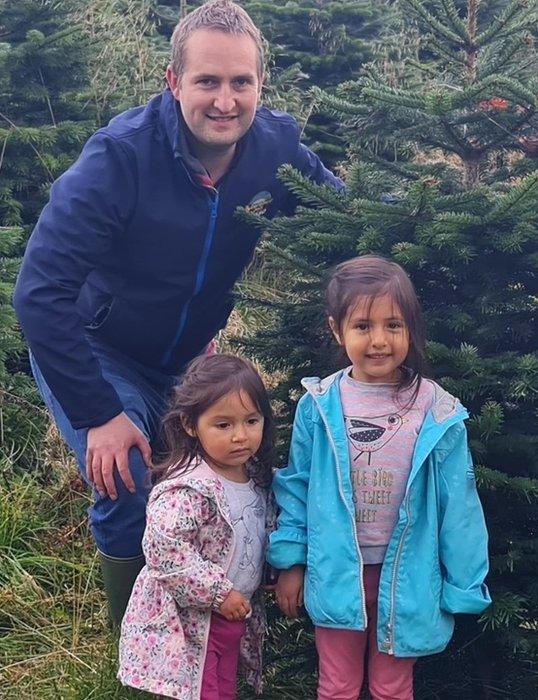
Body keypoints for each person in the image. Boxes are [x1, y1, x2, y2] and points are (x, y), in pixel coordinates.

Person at [12, 0, 343, 623]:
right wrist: (99, 414)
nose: (225, 101)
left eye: (241, 82)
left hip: (190, 359)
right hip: (99, 350)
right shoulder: (118, 159)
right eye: (207, 81)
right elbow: (38, 293)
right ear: (173, 81)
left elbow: (342, 212)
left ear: (260, 85)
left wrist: (429, 216)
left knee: (222, 474)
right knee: (127, 477)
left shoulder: (275, 147)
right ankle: (134, 642)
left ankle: (212, 617)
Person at [268, 255, 491, 700]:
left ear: (410, 329)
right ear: (337, 330)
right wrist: (291, 563)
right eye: (363, 326)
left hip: (406, 578)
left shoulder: (437, 411)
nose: (379, 341)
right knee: (336, 687)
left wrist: (464, 583)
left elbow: (459, 504)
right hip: (334, 573)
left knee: (392, 688)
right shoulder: (319, 406)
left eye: (393, 325)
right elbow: (296, 487)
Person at [117, 353, 275, 700]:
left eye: (251, 421)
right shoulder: (189, 488)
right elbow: (166, 552)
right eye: (223, 425)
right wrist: (219, 594)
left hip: (236, 612)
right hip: (194, 622)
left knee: (223, 687)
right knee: (203, 690)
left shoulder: (257, 479)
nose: (240, 436)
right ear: (191, 425)